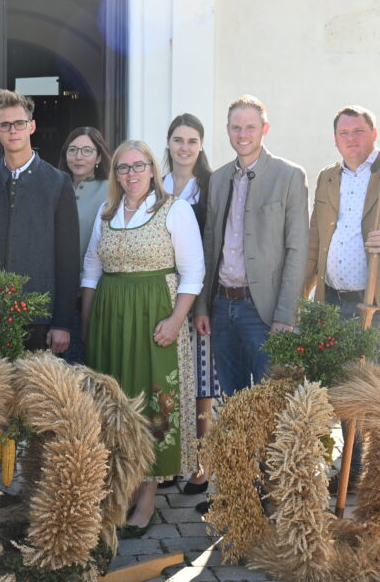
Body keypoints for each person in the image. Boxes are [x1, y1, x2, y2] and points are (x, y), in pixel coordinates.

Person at [80, 139, 204, 535]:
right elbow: (91, 268)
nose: (131, 174)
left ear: (153, 169)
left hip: (155, 316)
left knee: (151, 402)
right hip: (111, 318)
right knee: (114, 405)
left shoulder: (175, 210)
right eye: (123, 168)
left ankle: (146, 498)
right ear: (115, 174)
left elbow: (193, 272)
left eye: (139, 166)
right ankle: (118, 489)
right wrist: (87, 321)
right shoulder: (107, 211)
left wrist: (175, 320)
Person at [304, 106, 380, 493]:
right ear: (335, 139)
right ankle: (352, 467)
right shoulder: (327, 178)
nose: (351, 138)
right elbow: (315, 239)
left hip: (377, 301)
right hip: (334, 300)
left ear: (373, 133)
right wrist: (303, 296)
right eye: (343, 133)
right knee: (346, 386)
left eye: (358, 130)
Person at [194, 95, 309, 396]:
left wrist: (286, 313)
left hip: (264, 311)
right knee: (233, 401)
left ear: (264, 129)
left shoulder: (289, 176)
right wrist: (203, 306)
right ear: (227, 130)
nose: (242, 135)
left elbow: (298, 250)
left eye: (250, 127)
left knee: (268, 403)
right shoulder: (218, 179)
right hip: (221, 307)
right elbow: (209, 246)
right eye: (236, 128)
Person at [0, 89, 79, 355]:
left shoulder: (58, 183)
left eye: (19, 123)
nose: (13, 130)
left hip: (40, 318)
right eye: (5, 125)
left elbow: (68, 259)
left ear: (31, 126)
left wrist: (62, 322)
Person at [161, 114, 217, 495]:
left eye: (192, 140)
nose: (184, 147)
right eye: (178, 140)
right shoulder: (155, 185)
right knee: (167, 379)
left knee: (199, 383)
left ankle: (202, 463)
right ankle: (168, 462)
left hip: (196, 295)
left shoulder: (210, 188)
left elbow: (211, 250)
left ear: (201, 145)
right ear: (168, 143)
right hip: (160, 295)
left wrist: (202, 306)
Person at [58, 126, 112, 260]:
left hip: (93, 275)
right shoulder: (54, 188)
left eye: (87, 151)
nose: (78, 157)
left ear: (98, 157)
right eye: (72, 150)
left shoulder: (110, 190)